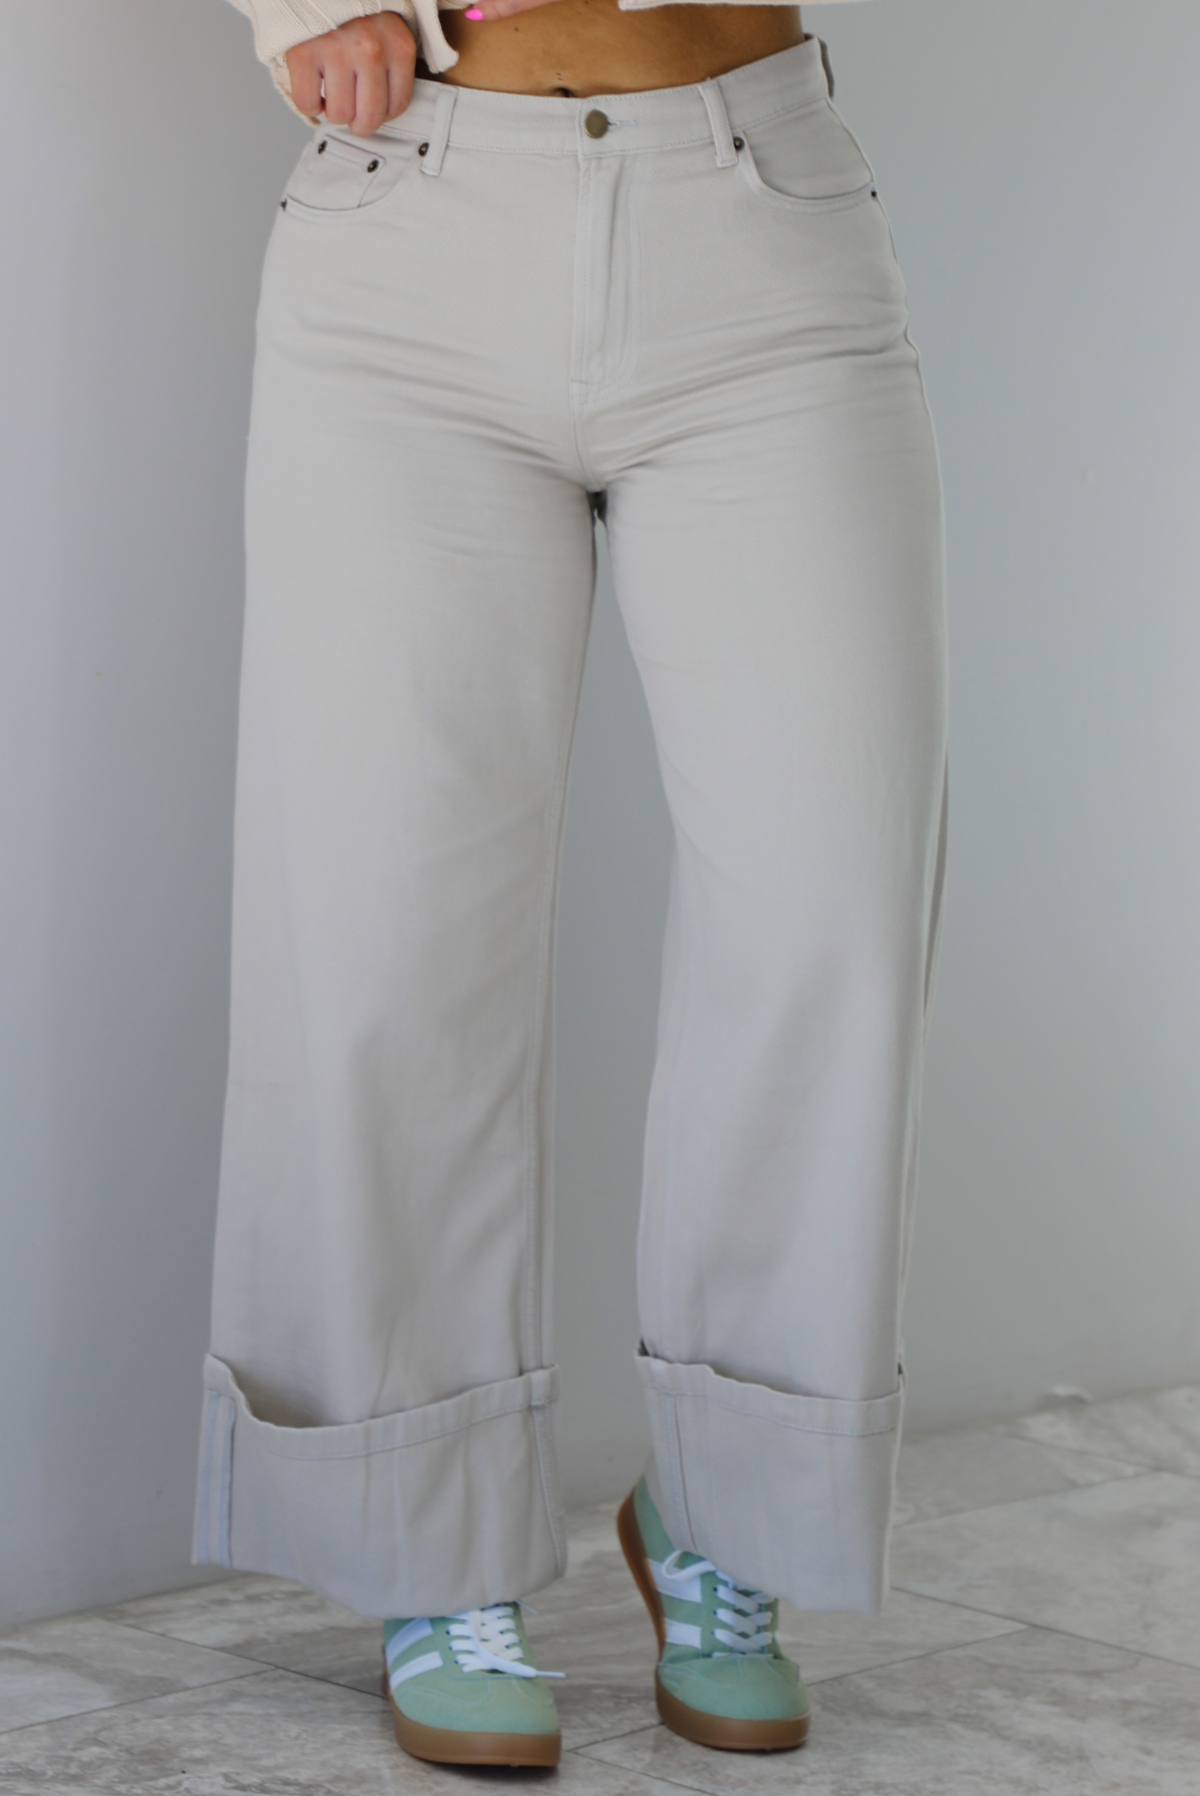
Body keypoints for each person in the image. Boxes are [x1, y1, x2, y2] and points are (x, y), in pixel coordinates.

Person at [195, 0, 948, 1767]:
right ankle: (426, 1540)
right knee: (385, 935)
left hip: (757, 221)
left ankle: (735, 1522)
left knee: (830, 904)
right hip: (411, 239)